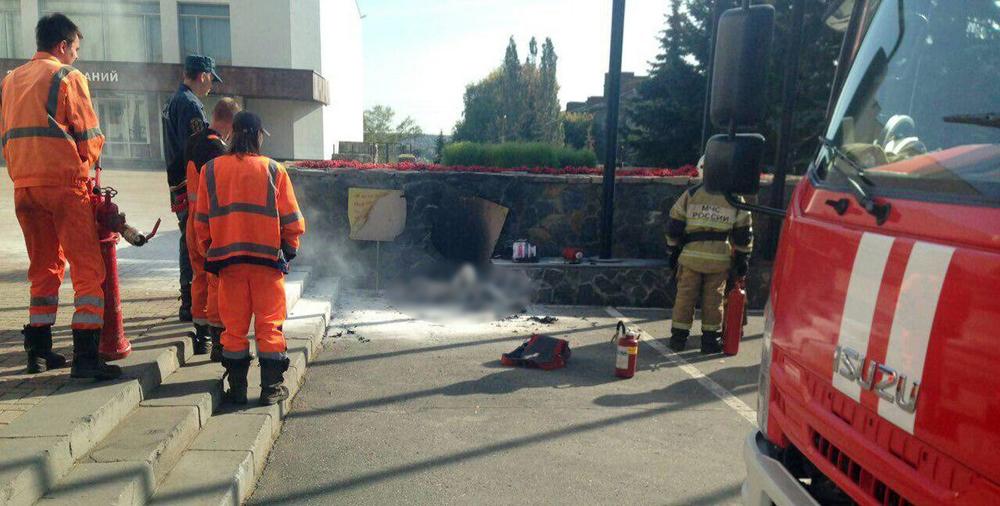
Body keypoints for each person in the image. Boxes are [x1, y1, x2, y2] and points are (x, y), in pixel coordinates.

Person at [1, 13, 120, 379]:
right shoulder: (68, 77)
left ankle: (38, 351)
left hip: (24, 186)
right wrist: (89, 165)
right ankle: (86, 359)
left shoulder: (10, 80)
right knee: (88, 270)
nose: (77, 57)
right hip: (64, 186)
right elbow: (90, 136)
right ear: (62, 46)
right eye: (76, 49)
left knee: (44, 268)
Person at [194, 112, 305, 405]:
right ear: (257, 135)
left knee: (234, 329)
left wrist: (211, 252)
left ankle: (238, 390)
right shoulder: (274, 170)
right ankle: (270, 388)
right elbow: (292, 220)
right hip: (266, 263)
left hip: (228, 264)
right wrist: (288, 249)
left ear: (232, 134)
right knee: (269, 325)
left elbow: (201, 221)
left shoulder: (211, 171)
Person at [665, 170, 753, 354]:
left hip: (691, 257)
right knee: (714, 300)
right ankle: (709, 341)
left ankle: (678, 339)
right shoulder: (735, 198)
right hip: (719, 260)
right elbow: (744, 234)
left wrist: (672, 249)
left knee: (685, 297)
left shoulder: (691, 194)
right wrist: (743, 257)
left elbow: (674, 225)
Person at [162, 54, 222, 322]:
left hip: (179, 182)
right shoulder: (190, 105)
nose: (211, 86)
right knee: (193, 242)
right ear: (202, 75)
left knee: (187, 240)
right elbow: (198, 149)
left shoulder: (175, 101)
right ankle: (190, 303)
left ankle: (189, 300)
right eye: (211, 79)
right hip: (191, 184)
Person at [183, 97, 241, 359]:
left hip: (194, 221)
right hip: (212, 223)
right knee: (216, 281)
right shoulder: (216, 149)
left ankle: (202, 336)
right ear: (229, 123)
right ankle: (217, 340)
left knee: (199, 277)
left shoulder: (194, 141)